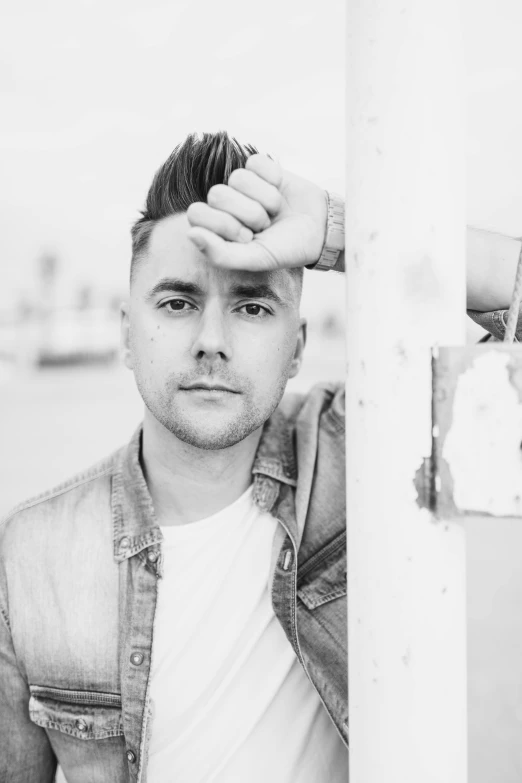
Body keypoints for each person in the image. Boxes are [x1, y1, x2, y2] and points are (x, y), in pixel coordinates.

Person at [0, 131, 348, 783]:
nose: (211, 341)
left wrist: (338, 232)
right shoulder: (32, 553)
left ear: (297, 346)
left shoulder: (360, 459)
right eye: (178, 302)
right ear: (126, 332)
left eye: (250, 304)